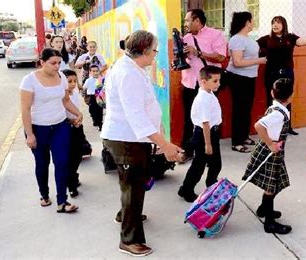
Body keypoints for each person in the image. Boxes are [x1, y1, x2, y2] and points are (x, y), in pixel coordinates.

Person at [100, 30, 183, 257]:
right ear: (145, 51)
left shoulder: (133, 68)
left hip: (135, 138)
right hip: (126, 139)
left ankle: (126, 214)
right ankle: (129, 240)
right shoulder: (128, 74)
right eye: (155, 51)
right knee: (133, 185)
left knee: (134, 182)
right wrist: (164, 144)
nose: (156, 55)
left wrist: (158, 136)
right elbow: (135, 115)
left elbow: (144, 108)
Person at [20, 48, 82, 213]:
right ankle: (44, 195)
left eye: (59, 63)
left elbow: (66, 100)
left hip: (60, 126)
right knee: (42, 164)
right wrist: (30, 134)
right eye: (53, 63)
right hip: (38, 129)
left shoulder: (61, 77)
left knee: (62, 162)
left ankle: (62, 201)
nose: (57, 66)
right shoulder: (29, 80)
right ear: (42, 62)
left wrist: (78, 113)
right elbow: (25, 109)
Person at [242, 78, 294, 234]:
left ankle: (264, 209)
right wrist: (271, 144)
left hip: (273, 151)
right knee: (271, 186)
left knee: (277, 182)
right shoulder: (278, 114)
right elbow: (258, 126)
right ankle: (269, 223)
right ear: (291, 96)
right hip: (270, 152)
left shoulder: (276, 108)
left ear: (272, 93)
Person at [177, 9, 227, 163]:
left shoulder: (216, 35)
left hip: (207, 86)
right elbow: (184, 60)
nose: (185, 24)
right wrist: (178, 62)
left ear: (197, 21)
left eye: (187, 20)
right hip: (189, 83)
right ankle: (188, 150)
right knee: (189, 119)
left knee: (209, 120)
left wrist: (198, 52)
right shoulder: (185, 38)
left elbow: (220, 56)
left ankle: (209, 150)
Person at [257, 16, 306, 136]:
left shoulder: (290, 37)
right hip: (271, 73)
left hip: (287, 72)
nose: (275, 25)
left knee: (287, 99)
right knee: (271, 100)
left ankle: (287, 126)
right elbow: (253, 47)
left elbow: (300, 41)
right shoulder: (266, 39)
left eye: (278, 23)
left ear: (283, 25)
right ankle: (272, 127)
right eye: (273, 22)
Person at [178, 66, 223, 202]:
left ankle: (211, 185)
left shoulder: (209, 93)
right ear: (204, 81)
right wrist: (208, 144)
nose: (218, 84)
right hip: (205, 135)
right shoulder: (203, 98)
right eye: (215, 81)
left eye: (219, 80)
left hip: (211, 133)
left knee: (215, 164)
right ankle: (187, 189)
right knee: (199, 165)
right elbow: (205, 124)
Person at [226, 11, 267, 153]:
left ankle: (243, 136)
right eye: (252, 20)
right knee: (239, 109)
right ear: (247, 22)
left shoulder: (248, 39)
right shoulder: (237, 39)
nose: (253, 22)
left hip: (249, 78)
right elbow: (237, 62)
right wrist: (259, 61)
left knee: (246, 108)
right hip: (238, 77)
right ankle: (236, 142)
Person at [62, 69, 86, 197]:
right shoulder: (62, 96)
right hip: (67, 129)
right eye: (69, 81)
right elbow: (61, 115)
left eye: (74, 81)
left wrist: (78, 120)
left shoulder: (76, 92)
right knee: (70, 158)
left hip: (78, 127)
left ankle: (73, 176)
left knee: (78, 155)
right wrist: (71, 121)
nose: (72, 84)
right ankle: (71, 185)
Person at [82, 64, 103, 130]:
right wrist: (84, 95)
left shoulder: (101, 79)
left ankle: (100, 123)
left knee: (99, 110)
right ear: (90, 72)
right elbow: (84, 88)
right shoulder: (88, 80)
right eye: (93, 71)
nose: (95, 72)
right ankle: (95, 120)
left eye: (97, 71)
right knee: (92, 110)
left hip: (99, 96)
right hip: (91, 97)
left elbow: (103, 88)